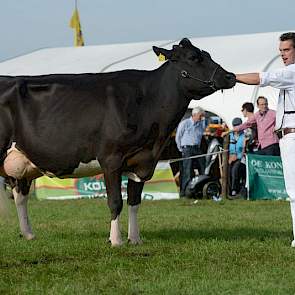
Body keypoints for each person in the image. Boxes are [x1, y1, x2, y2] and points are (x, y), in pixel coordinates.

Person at [235, 32, 295, 247]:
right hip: (287, 135)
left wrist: (232, 77)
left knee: (294, 190)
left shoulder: (291, 72)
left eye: (286, 50)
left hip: (292, 136)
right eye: (280, 51)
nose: (282, 55)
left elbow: (261, 78)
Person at [175, 107, 206, 197]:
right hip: (187, 149)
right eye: (200, 116)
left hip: (197, 148)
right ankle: (184, 192)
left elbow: (200, 137)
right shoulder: (185, 123)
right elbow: (178, 137)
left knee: (202, 167)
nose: (202, 118)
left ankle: (199, 189)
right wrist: (181, 149)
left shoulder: (200, 124)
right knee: (187, 170)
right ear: (194, 115)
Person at [228, 117, 246, 198]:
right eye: (234, 126)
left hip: (240, 158)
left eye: (238, 126)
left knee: (235, 170)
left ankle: (234, 189)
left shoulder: (244, 136)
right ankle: (227, 189)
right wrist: (229, 158)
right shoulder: (229, 135)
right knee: (227, 170)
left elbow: (244, 149)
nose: (236, 128)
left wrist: (237, 157)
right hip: (229, 157)